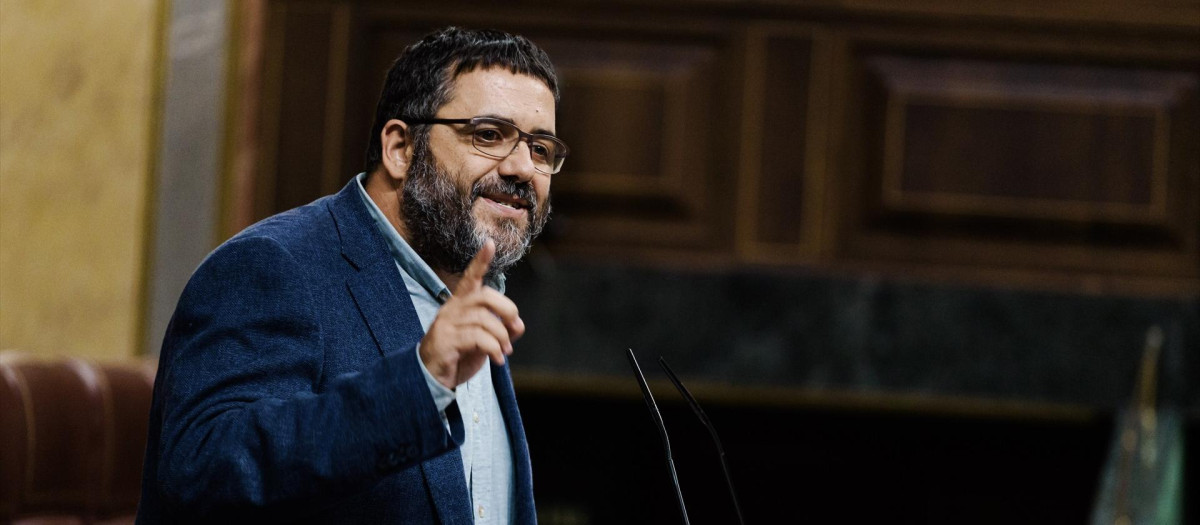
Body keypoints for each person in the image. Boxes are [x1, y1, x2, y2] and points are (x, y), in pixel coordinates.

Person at [136, 26, 567, 524]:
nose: (521, 168)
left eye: (541, 149)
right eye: (489, 135)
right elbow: (204, 474)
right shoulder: (271, 267)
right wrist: (420, 381)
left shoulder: (476, 291)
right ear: (400, 148)